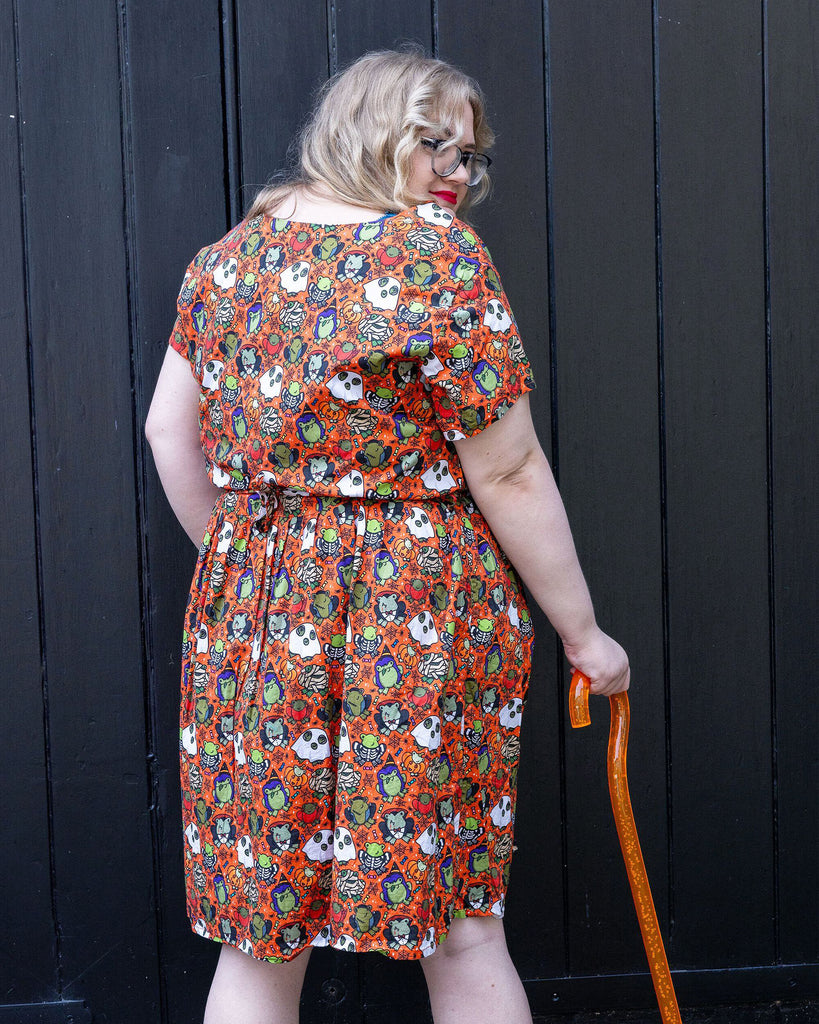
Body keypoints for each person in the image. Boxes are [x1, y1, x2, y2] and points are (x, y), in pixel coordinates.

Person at [146, 48, 629, 1024]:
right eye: (435, 140)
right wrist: (584, 635)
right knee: (456, 918)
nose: (457, 169)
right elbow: (508, 467)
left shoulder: (227, 262)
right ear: (367, 126)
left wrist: (252, 567)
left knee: (261, 925)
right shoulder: (437, 258)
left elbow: (168, 429)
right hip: (420, 614)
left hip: (252, 619)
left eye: (471, 155)